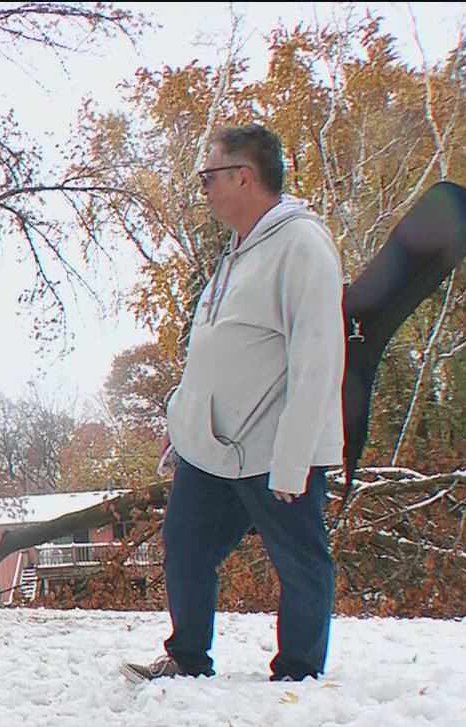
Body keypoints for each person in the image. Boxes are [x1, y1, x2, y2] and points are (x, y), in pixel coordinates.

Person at [123, 124, 344, 684]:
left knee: (300, 560)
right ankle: (187, 657)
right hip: (212, 446)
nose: (204, 191)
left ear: (244, 177)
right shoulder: (239, 252)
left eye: (209, 178)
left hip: (275, 448)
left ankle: (298, 671)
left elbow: (317, 360)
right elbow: (217, 349)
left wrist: (295, 459)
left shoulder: (303, 246)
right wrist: (184, 418)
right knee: (185, 545)